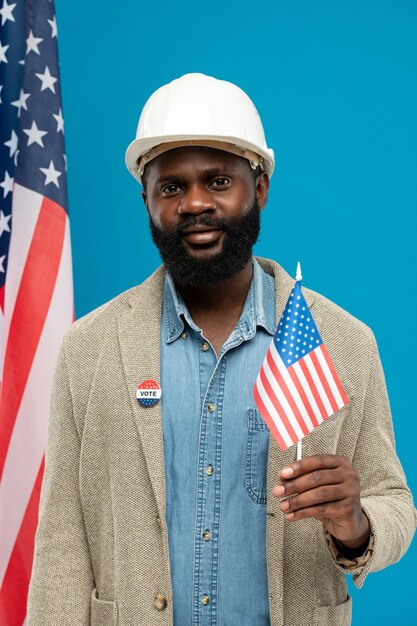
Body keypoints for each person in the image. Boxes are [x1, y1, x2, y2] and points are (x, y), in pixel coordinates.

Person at [27, 73, 416, 626]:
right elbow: (62, 538)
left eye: (217, 181)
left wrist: (356, 522)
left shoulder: (343, 342)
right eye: (171, 187)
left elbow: (395, 504)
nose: (194, 204)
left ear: (258, 189)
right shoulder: (89, 348)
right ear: (146, 199)